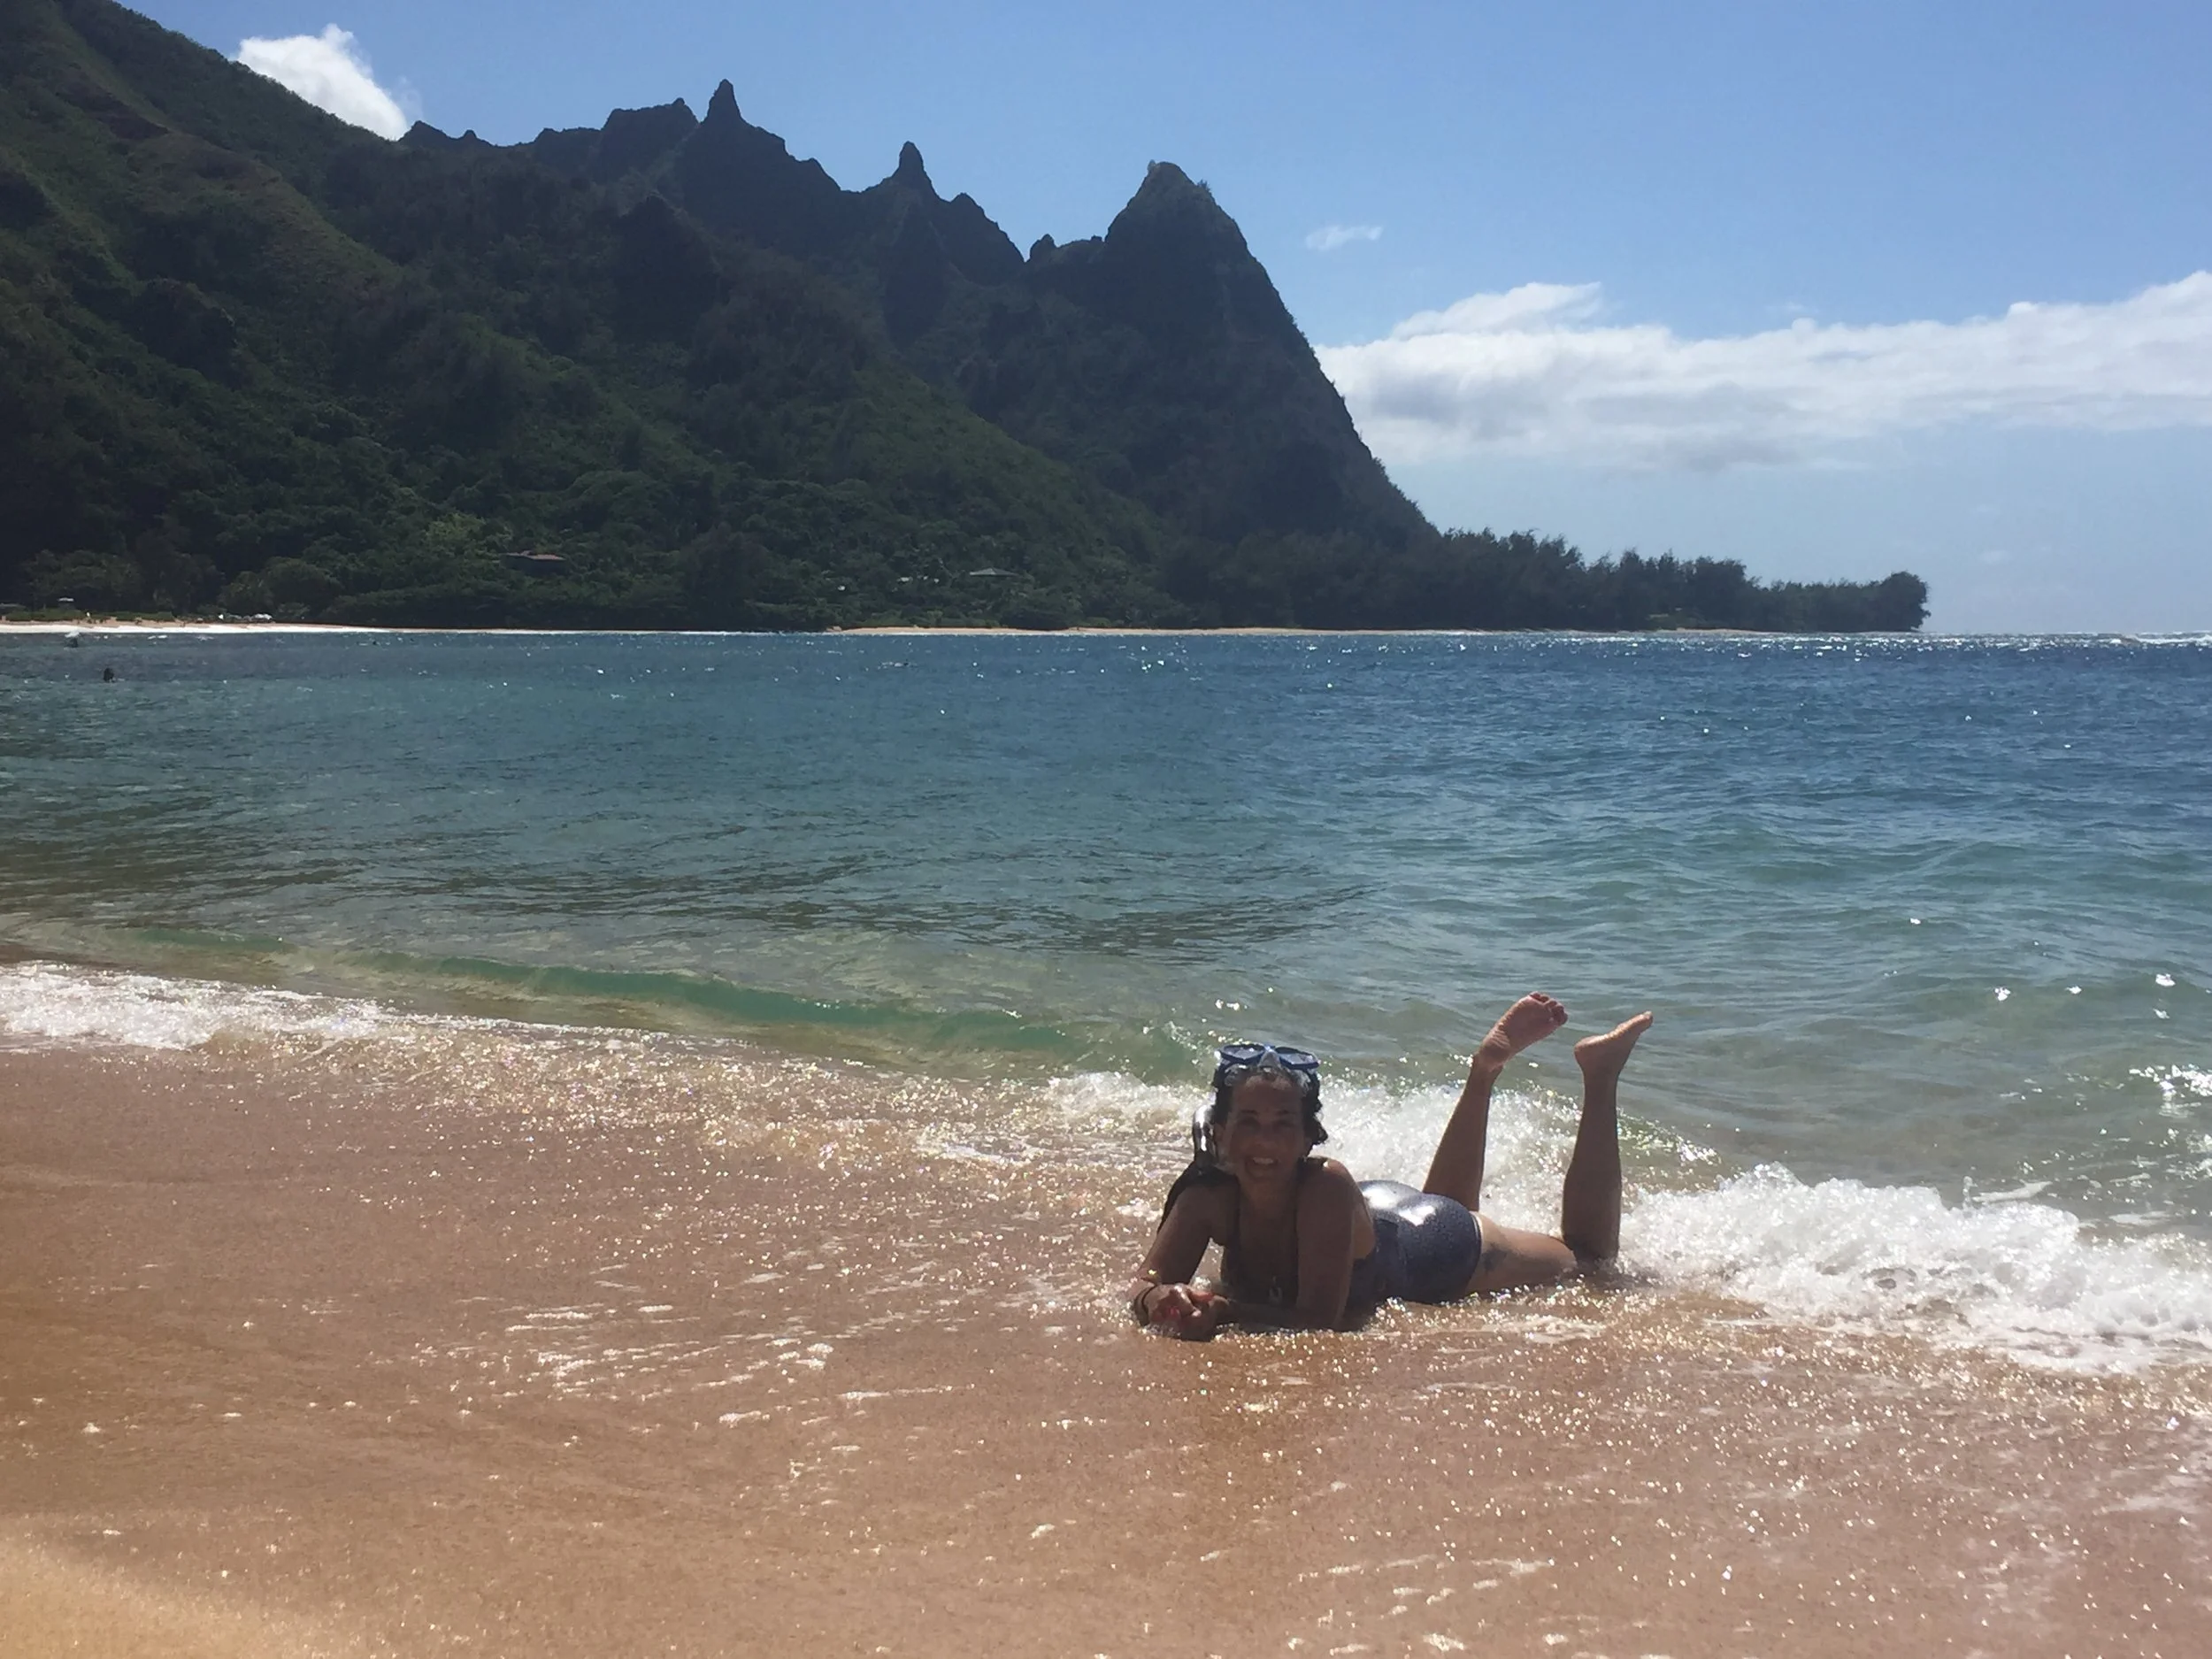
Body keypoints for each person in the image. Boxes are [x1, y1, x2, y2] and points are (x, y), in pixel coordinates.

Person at [1125, 994, 1652, 1338]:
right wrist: (1159, 1298)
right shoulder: (1207, 1196)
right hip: (1380, 1213)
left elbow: (1320, 1320)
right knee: (1446, 1202)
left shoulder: (1325, 1186)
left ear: (1309, 1138)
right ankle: (1484, 1071)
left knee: (1589, 1258)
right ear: (1220, 1133)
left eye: (1283, 1123)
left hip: (1437, 1246)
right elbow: (1143, 1284)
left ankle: (1601, 1075)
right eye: (1249, 1122)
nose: (1265, 1140)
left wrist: (1225, 1312)